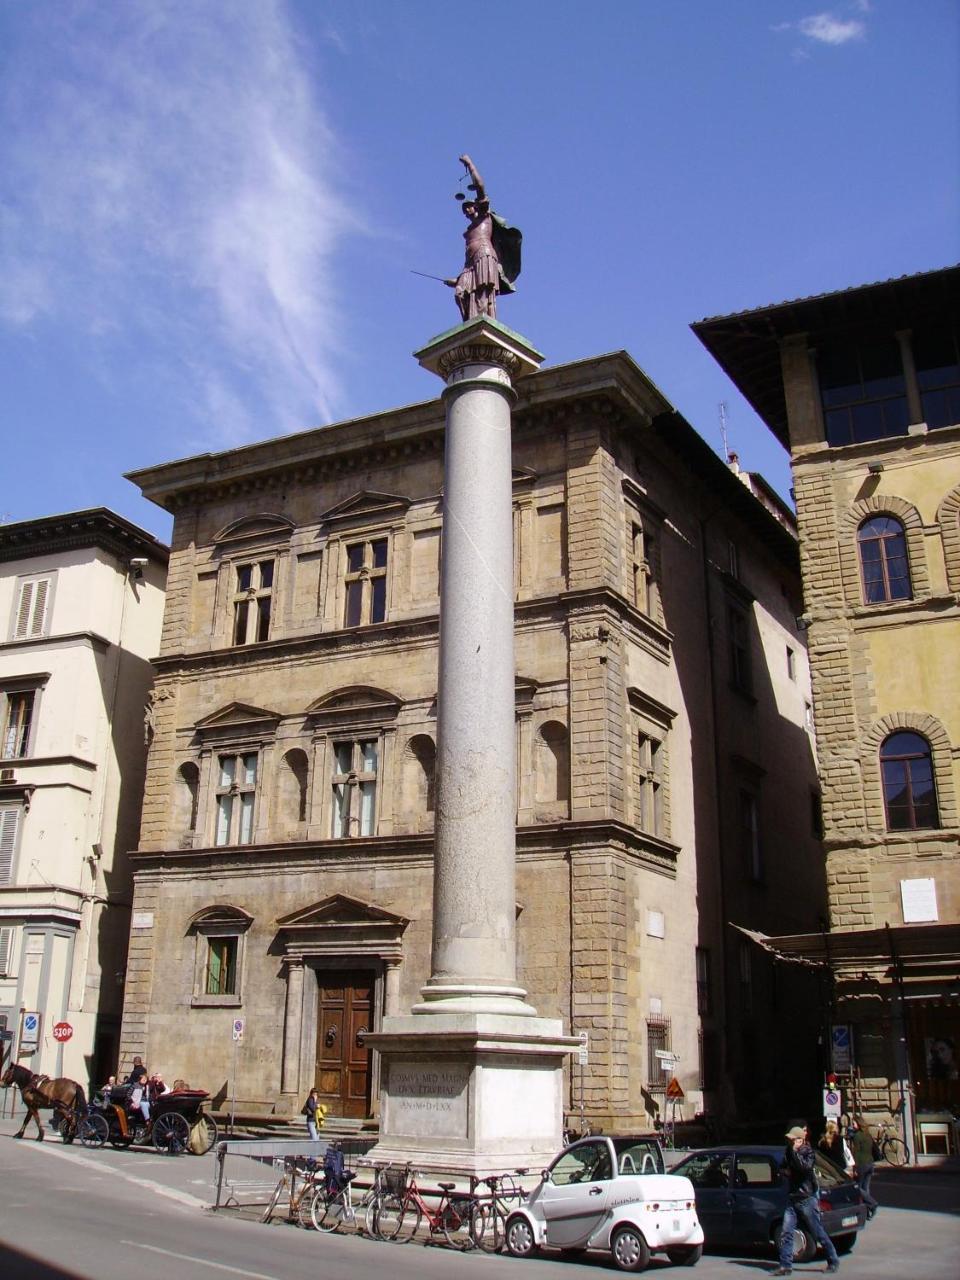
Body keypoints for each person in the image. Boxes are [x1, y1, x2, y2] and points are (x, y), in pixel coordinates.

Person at [445, 155, 521, 322]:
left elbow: (480, 186)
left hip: (484, 256)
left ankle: (482, 323)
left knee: (483, 296)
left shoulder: (484, 216)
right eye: (464, 210)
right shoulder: (469, 230)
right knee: (460, 293)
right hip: (470, 265)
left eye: (469, 207)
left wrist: (470, 165)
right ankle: (469, 326)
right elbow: (467, 262)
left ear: (476, 206)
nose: (466, 212)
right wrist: (457, 279)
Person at [773, 1124, 840, 1276]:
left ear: (800, 1140)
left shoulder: (807, 1152)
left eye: (792, 1140)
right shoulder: (789, 1152)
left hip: (806, 1198)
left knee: (817, 1231)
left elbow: (804, 1167)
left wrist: (793, 1153)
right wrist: (786, 1171)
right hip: (792, 1197)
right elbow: (782, 1167)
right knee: (786, 1231)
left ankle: (833, 1260)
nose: (790, 1143)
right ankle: (785, 1265)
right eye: (789, 1140)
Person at [848, 1116, 878, 1218]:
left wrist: (854, 1168)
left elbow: (856, 1152)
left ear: (859, 1124)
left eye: (854, 1123)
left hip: (861, 1164)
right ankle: (867, 1210)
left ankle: (872, 1204)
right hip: (870, 1163)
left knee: (857, 1188)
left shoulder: (857, 1136)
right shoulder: (868, 1135)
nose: (852, 1125)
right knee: (865, 1188)